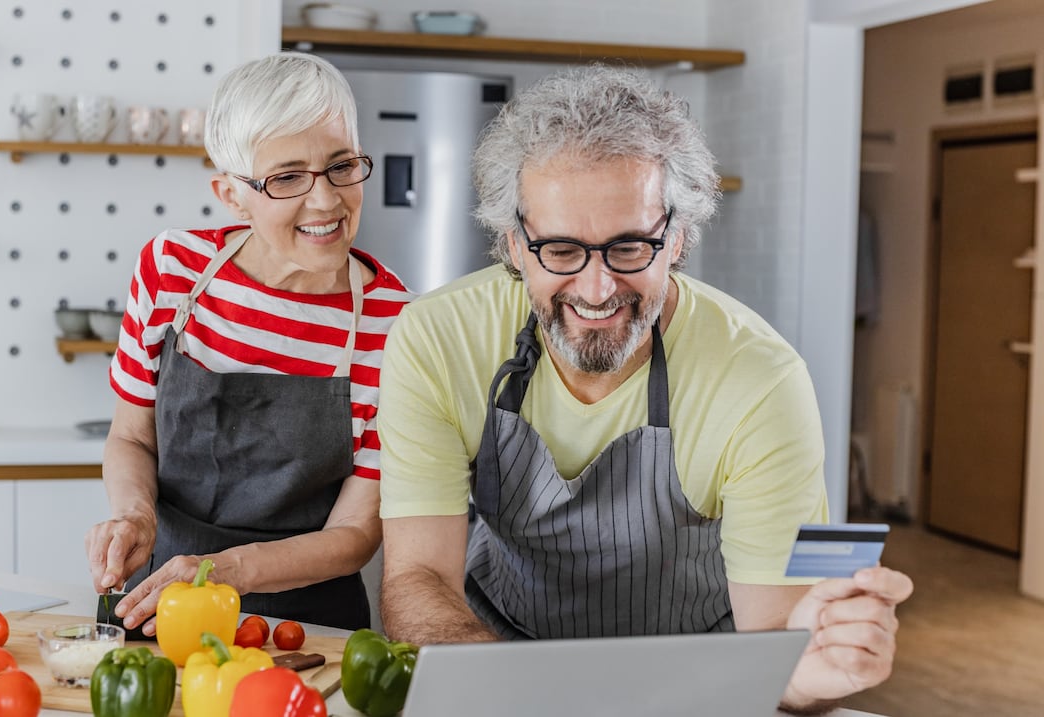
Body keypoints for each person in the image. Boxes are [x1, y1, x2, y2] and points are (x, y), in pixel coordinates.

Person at [376, 64, 913, 712]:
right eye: (561, 250)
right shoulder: (436, 339)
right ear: (514, 245)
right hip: (497, 657)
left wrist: (817, 667)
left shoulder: (763, 380)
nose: (597, 289)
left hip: (701, 686)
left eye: (630, 246)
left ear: (678, 236)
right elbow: (417, 578)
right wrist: (516, 695)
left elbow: (777, 639)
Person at [85, 51, 414, 633]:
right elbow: (131, 437)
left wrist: (226, 569)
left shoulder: (397, 324)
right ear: (231, 194)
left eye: (342, 165)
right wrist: (133, 515)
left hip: (305, 629)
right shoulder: (173, 271)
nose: (326, 200)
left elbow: (356, 533)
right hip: (159, 604)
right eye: (287, 177)